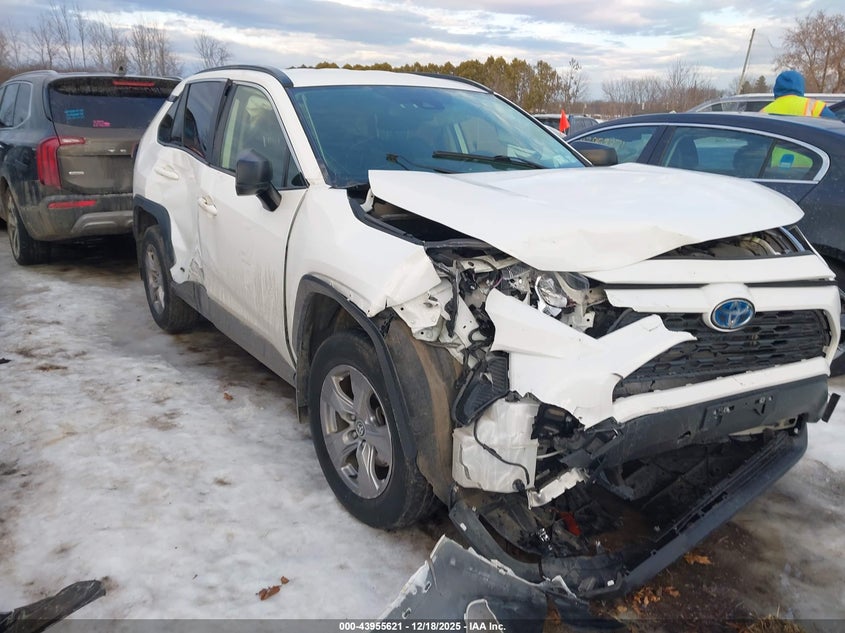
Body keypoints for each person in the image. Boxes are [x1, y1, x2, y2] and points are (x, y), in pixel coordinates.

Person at [762, 70, 836, 118]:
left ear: (776, 88)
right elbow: (837, 129)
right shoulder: (815, 107)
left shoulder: (764, 112)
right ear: (801, 86)